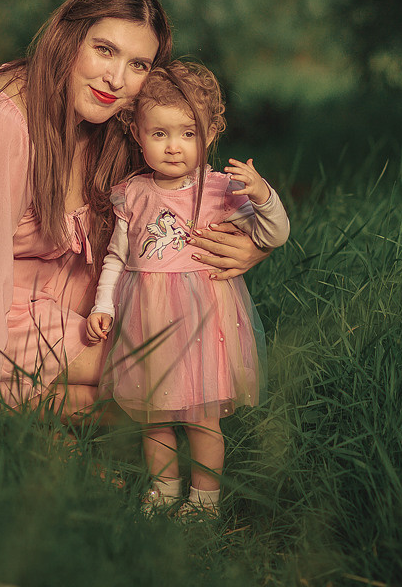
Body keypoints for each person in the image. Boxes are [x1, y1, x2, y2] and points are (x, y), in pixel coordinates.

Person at [0, 0, 270, 438]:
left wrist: (252, 246)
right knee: (157, 365)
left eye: (138, 64)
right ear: (68, 37)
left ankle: (36, 403)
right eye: (104, 50)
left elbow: (180, 202)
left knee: (167, 360)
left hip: (50, 283)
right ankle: (24, 406)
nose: (116, 79)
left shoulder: (113, 119)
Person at [85, 61, 290, 516]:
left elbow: (275, 234)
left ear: (211, 133)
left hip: (201, 323)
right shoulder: (132, 193)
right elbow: (117, 257)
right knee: (151, 417)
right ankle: (162, 489)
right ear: (137, 133)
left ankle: (204, 499)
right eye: (159, 134)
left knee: (201, 418)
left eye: (188, 134)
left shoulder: (219, 191)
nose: (174, 147)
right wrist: (103, 303)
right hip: (145, 322)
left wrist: (262, 196)